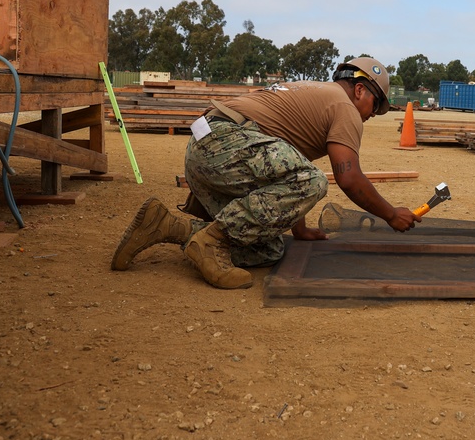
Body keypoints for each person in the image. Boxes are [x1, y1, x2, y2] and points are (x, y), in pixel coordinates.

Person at [111, 57, 420, 289]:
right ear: (360, 90)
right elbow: (348, 178)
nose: (369, 116)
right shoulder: (344, 107)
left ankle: (166, 226)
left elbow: (282, 162)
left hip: (205, 147)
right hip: (225, 142)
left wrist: (298, 229)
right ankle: (211, 241)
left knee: (268, 247)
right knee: (314, 180)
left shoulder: (313, 92)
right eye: (375, 106)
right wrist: (391, 214)